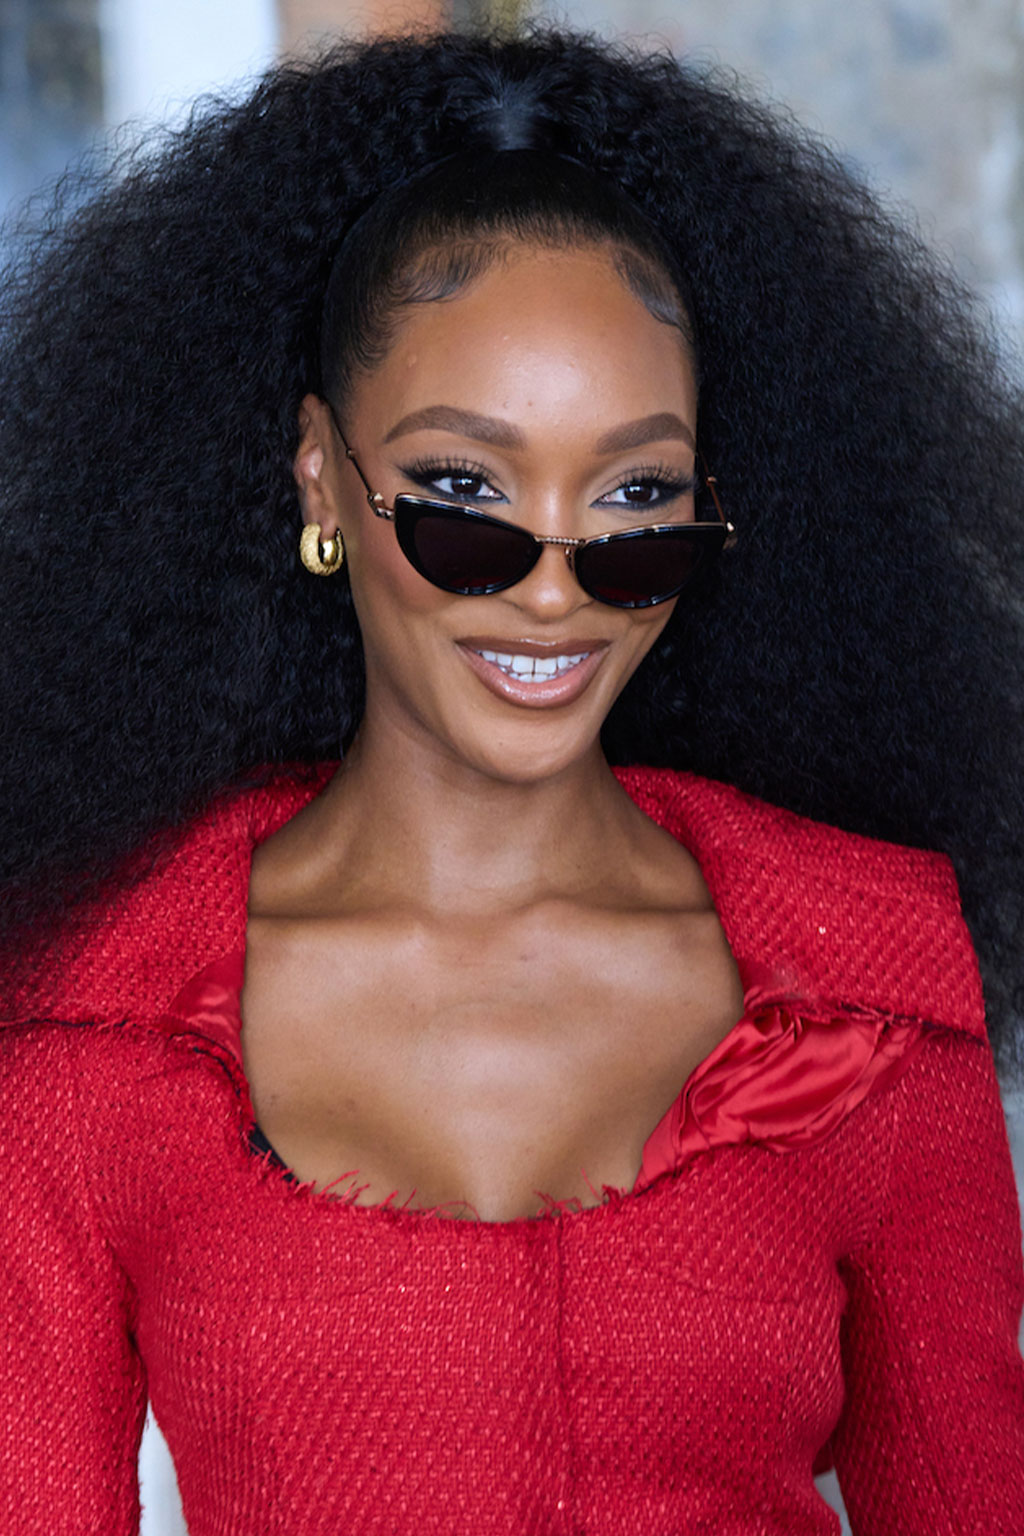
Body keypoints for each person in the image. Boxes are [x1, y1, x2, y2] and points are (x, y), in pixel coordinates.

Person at [1, 25, 1022, 1536]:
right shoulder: (91, 1014)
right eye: (464, 494)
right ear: (319, 472)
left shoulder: (873, 981)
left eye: (636, 498)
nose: (555, 588)